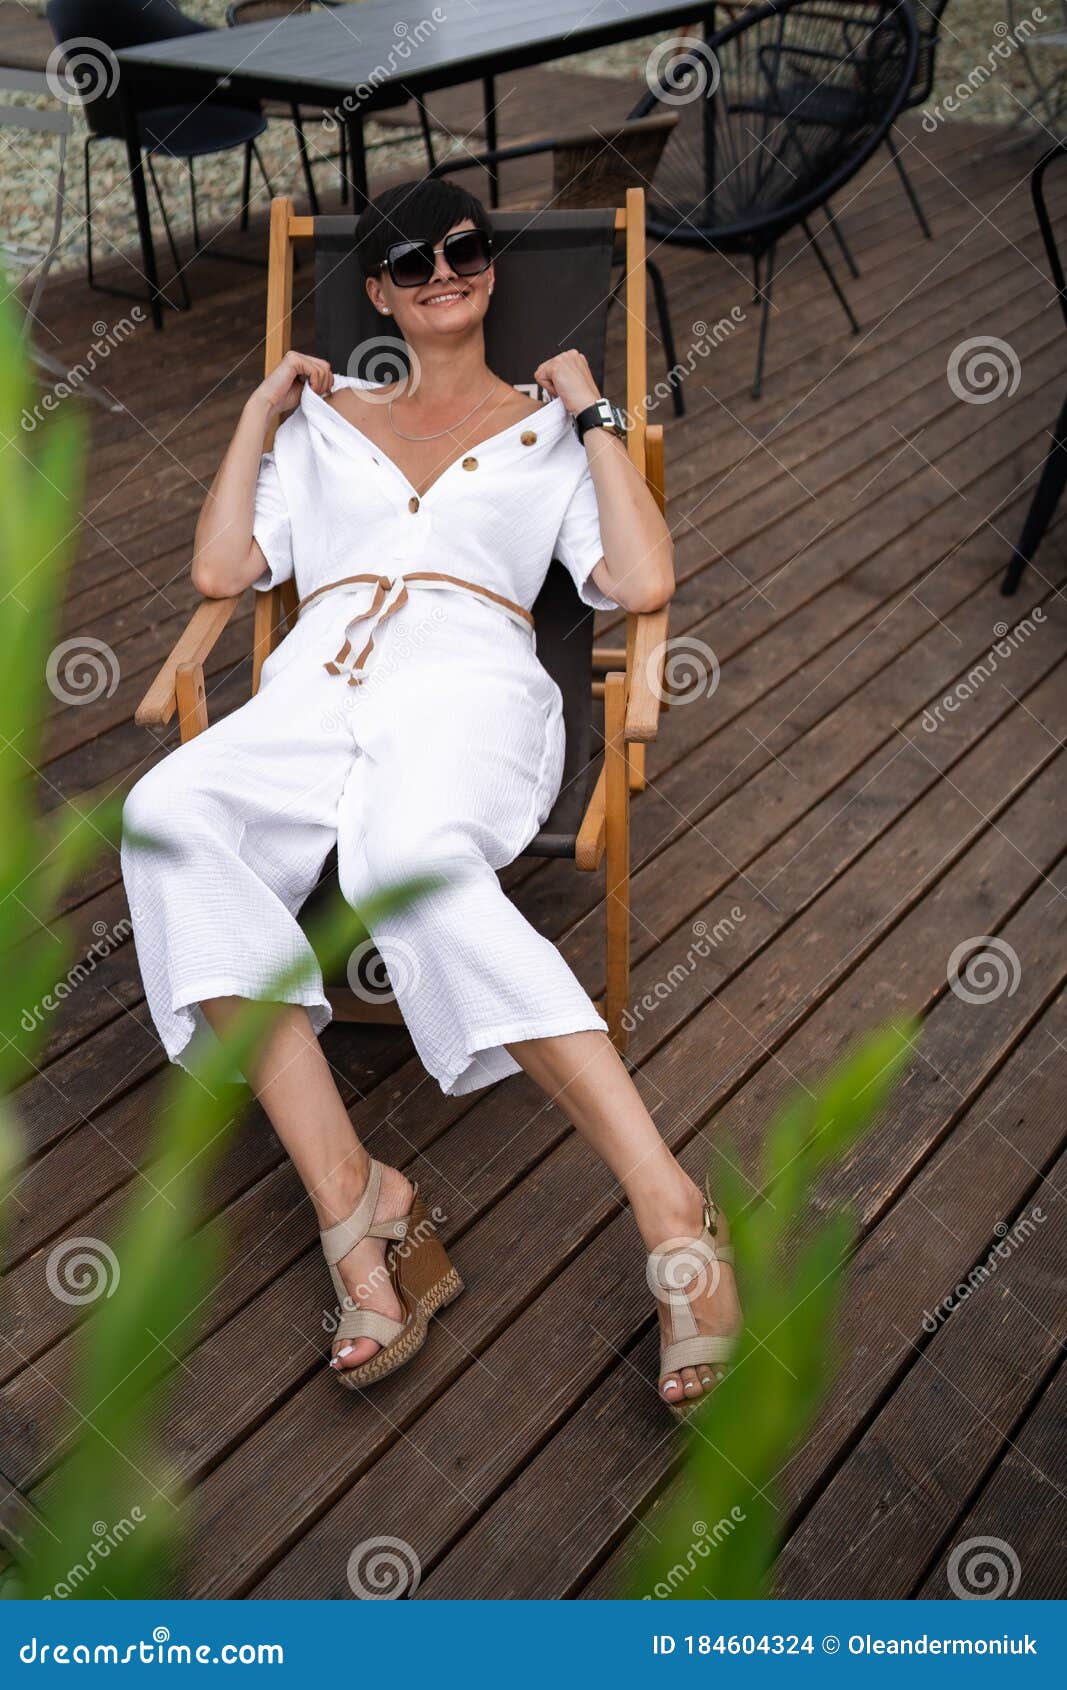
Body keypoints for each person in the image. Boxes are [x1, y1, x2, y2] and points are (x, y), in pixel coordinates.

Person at [121, 177, 741, 1412]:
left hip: (466, 682)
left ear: (489, 269)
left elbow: (639, 573)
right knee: (169, 820)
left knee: (408, 861)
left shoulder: (546, 433)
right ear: (380, 290)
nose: (441, 272)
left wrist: (597, 414)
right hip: (317, 683)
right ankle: (356, 1196)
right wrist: (258, 414)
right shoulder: (325, 423)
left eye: (463, 250)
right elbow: (224, 567)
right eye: (412, 261)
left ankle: (671, 1208)